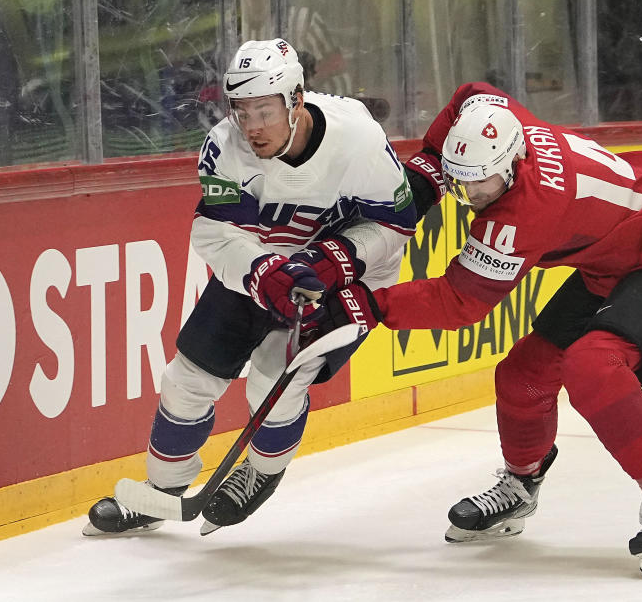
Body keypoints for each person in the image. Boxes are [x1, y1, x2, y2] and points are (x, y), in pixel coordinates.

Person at [319, 82, 642, 577]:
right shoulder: (503, 123)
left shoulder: (524, 214)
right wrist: (430, 156)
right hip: (617, 256)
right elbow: (472, 92)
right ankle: (520, 486)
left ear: (512, 165)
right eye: (459, 182)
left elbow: (459, 301)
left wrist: (367, 303)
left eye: (482, 186)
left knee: (592, 365)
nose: (470, 198)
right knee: (522, 376)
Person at [83, 38, 416, 536]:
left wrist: (333, 260)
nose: (252, 126)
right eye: (242, 111)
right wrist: (265, 272)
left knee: (272, 376)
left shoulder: (358, 140)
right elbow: (216, 232)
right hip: (264, 272)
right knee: (186, 380)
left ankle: (260, 472)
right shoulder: (225, 145)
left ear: (297, 100)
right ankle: (162, 491)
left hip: (346, 283)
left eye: (264, 110)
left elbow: (396, 225)